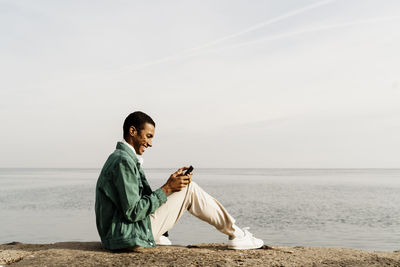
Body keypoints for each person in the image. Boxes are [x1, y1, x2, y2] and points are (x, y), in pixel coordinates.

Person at [95, 111, 264, 250]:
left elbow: (134, 204)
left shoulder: (122, 158)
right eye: (148, 136)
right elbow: (133, 211)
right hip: (123, 236)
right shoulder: (123, 161)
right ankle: (236, 234)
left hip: (120, 233)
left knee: (181, 187)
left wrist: (171, 185)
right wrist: (167, 188)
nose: (151, 143)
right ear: (132, 131)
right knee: (190, 189)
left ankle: (158, 233)